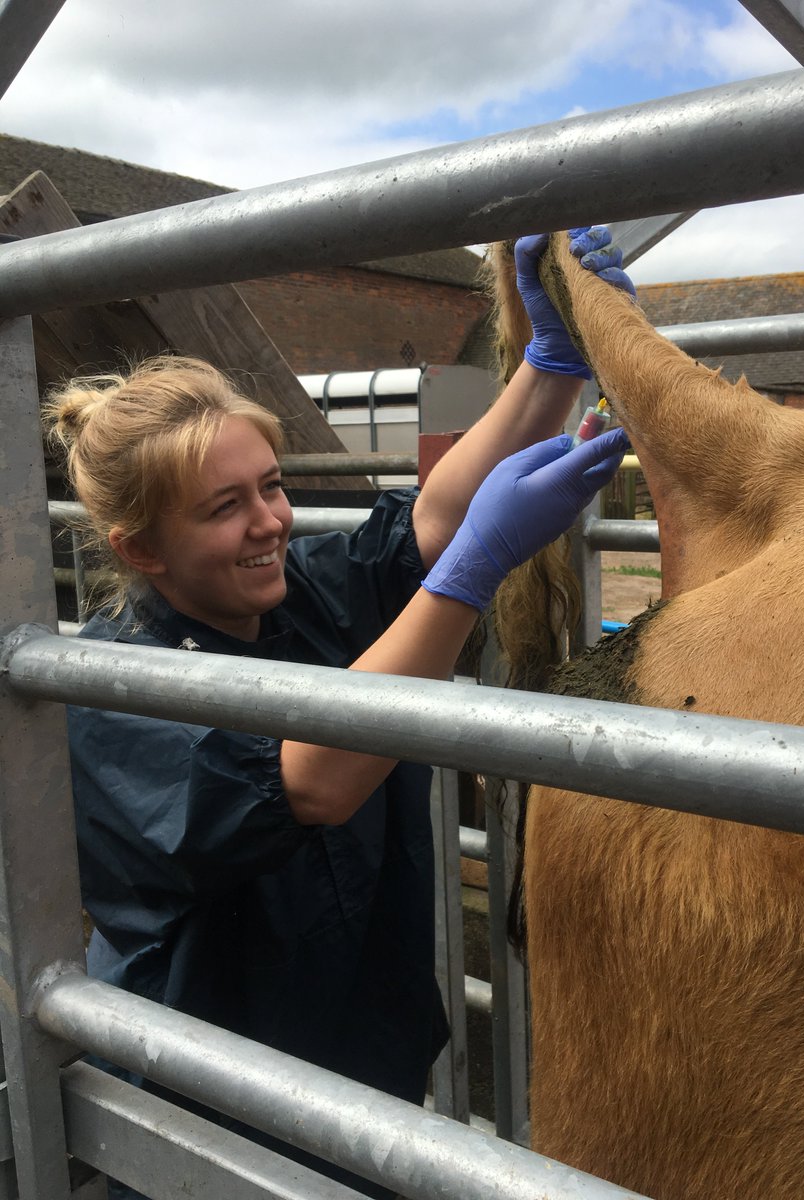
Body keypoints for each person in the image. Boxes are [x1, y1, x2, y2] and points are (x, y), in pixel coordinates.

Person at [46, 227, 633, 1199]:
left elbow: (429, 520)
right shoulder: (110, 699)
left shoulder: (298, 595)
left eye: (271, 487)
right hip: (209, 1112)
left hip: (364, 1059)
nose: (271, 521)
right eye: (223, 507)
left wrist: (547, 369)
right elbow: (311, 783)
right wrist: (473, 572)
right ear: (140, 549)